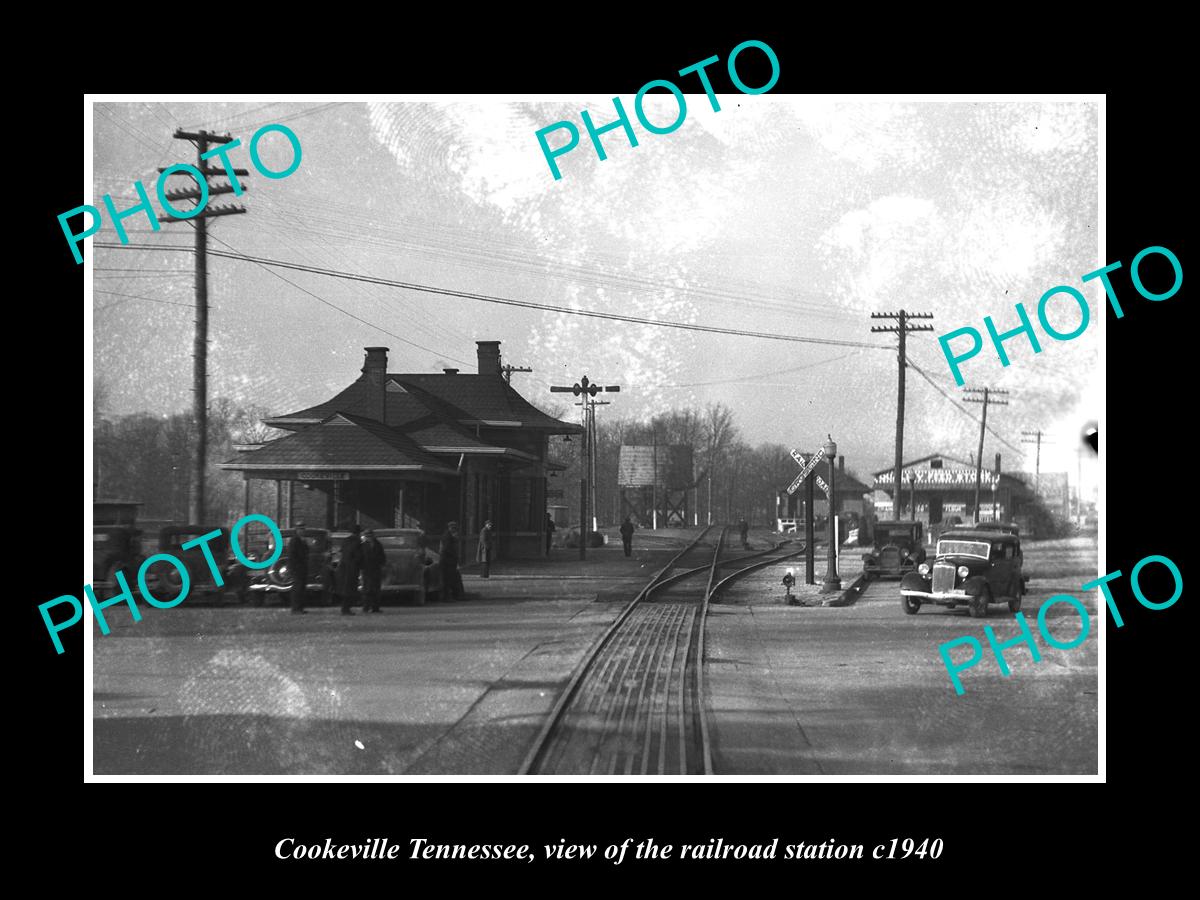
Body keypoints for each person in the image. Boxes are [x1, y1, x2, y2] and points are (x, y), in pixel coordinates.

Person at [337, 523, 363, 616]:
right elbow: (358, 556)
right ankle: (346, 609)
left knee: (345, 588)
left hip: (344, 567)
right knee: (350, 588)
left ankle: (345, 608)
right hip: (352, 568)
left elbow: (342, 553)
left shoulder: (346, 540)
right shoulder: (357, 542)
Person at [360, 529, 385, 613]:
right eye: (367, 536)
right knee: (367, 589)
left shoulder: (378, 545)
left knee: (376, 589)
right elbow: (360, 557)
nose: (368, 538)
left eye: (370, 536)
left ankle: (375, 608)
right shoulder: (363, 546)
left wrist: (381, 564)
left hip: (376, 569)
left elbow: (382, 556)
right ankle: (366, 607)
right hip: (366, 570)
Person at [286, 524, 309, 614]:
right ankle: (296, 608)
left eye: (303, 529)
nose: (302, 531)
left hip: (302, 566)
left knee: (301, 587)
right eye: (300, 529)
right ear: (296, 530)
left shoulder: (301, 540)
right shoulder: (294, 540)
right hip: (297, 567)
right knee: (297, 587)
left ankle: (300, 607)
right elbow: (294, 554)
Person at [439, 521, 464, 601]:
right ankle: (447, 597)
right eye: (453, 528)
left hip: (448, 561)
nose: (454, 530)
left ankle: (452, 596)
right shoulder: (448, 537)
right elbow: (447, 549)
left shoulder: (448, 536)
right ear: (450, 528)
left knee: (450, 579)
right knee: (447, 579)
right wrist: (454, 556)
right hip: (448, 561)